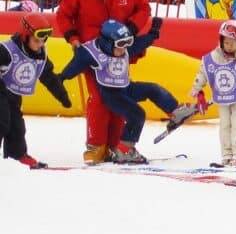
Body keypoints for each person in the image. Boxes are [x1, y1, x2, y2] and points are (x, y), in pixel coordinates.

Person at [56, 0, 152, 164]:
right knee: (100, 97)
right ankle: (96, 145)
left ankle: (114, 144)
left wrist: (131, 30)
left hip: (119, 53)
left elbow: (143, 9)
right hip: (92, 52)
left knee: (119, 96)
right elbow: (63, 15)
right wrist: (73, 38)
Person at [56, 18, 196, 164]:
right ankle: (124, 150)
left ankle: (176, 112)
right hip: (111, 95)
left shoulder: (124, 47)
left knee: (152, 89)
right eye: (120, 46)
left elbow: (140, 43)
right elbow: (74, 66)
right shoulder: (91, 53)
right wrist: (61, 78)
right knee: (137, 114)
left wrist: (154, 33)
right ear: (107, 43)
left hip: (126, 87)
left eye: (126, 44)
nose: (124, 50)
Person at [0, 12, 72, 169]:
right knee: (2, 121)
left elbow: (49, 77)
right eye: (37, 40)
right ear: (25, 36)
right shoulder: (7, 50)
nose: (41, 44)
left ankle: (16, 156)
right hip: (1, 91)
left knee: (17, 126)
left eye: (43, 40)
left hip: (13, 95)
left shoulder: (40, 56)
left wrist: (62, 96)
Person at [189, 20, 236, 166]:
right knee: (225, 126)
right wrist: (198, 91)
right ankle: (227, 154)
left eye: (232, 43)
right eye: (226, 42)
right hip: (222, 98)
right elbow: (203, 73)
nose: (229, 46)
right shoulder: (212, 58)